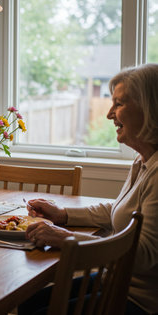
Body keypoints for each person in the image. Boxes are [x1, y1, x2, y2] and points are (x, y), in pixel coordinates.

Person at [19, 63, 158, 315]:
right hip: (114, 282)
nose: (109, 114)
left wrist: (66, 239)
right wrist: (63, 215)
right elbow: (118, 211)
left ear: (149, 108)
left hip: (139, 301)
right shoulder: (144, 160)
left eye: (119, 103)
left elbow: (145, 255)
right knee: (27, 303)